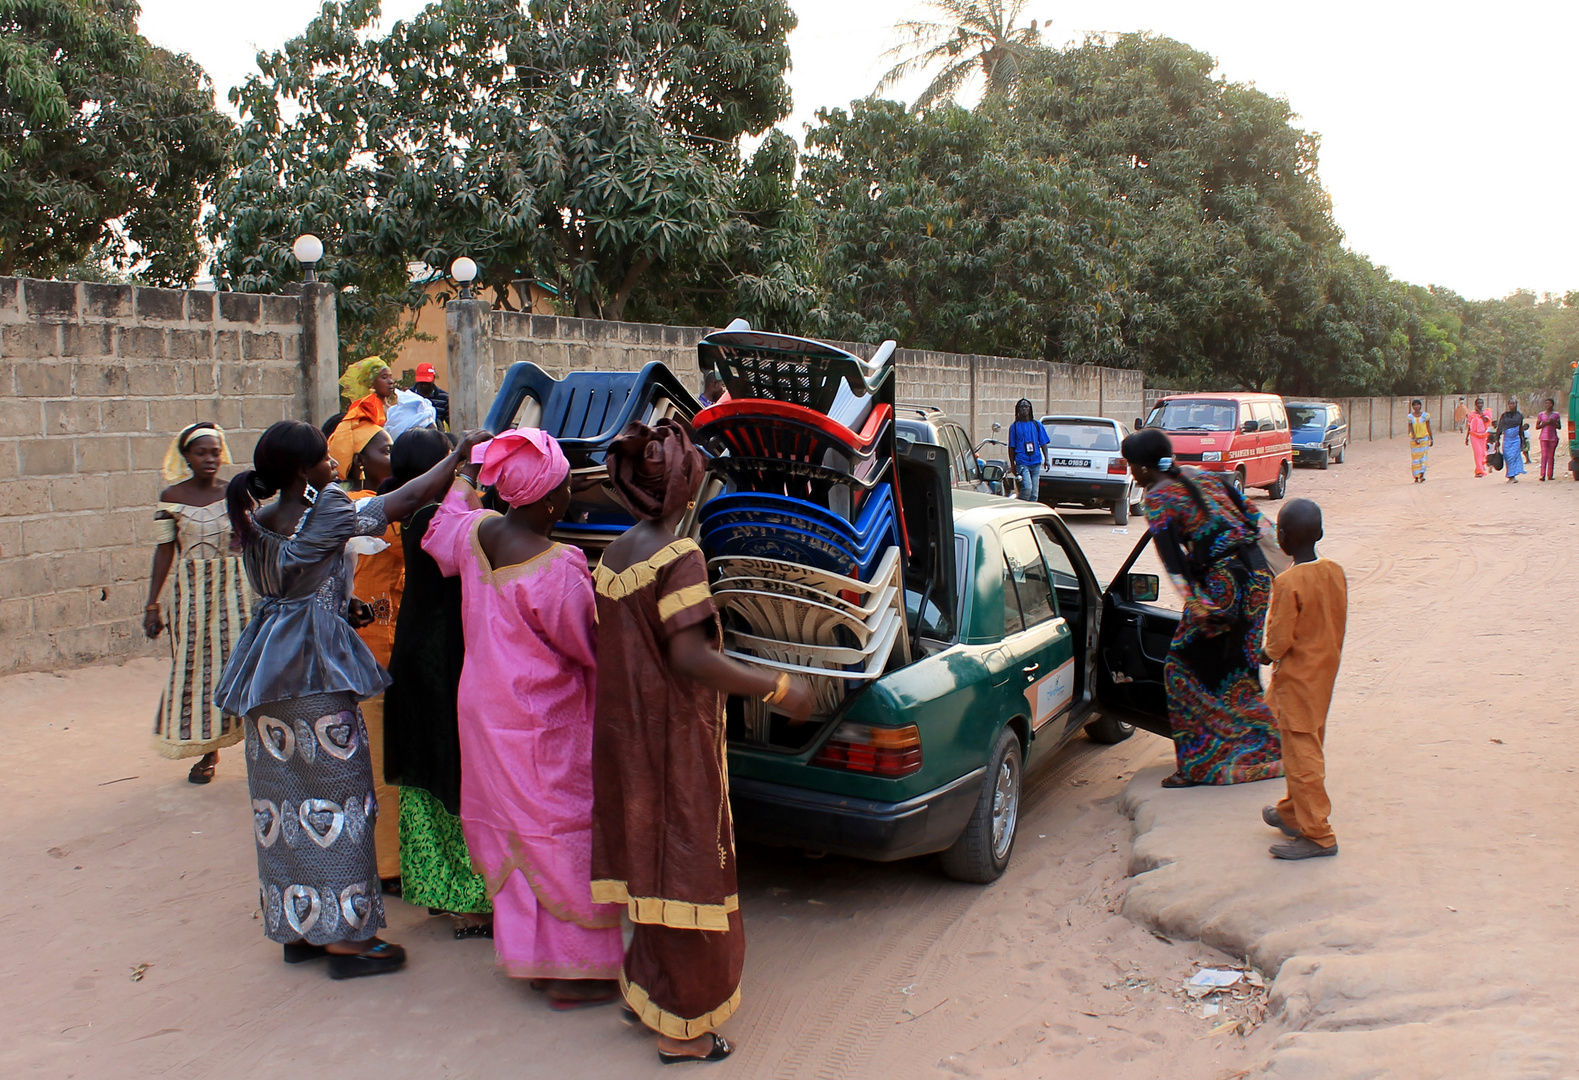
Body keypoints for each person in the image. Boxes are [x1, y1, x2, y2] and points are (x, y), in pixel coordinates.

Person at [217, 419, 482, 978]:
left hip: (267, 672)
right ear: (300, 470)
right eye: (322, 457)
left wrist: (340, 606)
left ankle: (301, 926)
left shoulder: (256, 519)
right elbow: (402, 501)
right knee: (339, 801)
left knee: (284, 805)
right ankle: (349, 939)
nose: (332, 463)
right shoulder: (329, 508)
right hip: (314, 674)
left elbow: (295, 586)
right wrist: (458, 455)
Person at [590, 419, 814, 1064]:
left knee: (648, 864)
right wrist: (775, 686)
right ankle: (684, 1029)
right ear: (685, 483)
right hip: (674, 737)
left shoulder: (617, 553)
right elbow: (688, 657)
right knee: (690, 868)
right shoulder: (678, 555)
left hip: (624, 736)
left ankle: (650, 994)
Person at [422, 427, 625, 1005]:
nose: (569, 501)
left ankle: (532, 961)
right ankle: (573, 974)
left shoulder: (476, 533)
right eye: (566, 491)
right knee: (560, 832)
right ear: (550, 499)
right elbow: (586, 646)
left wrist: (463, 471)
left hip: (483, 713)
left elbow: (438, 533)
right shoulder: (559, 565)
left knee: (510, 830)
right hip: (540, 721)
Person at [1120, 428, 1284, 788]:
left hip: (1222, 585)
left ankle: (1198, 767)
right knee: (1239, 672)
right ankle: (1266, 754)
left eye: (1130, 464)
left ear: (1144, 468)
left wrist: (1201, 606)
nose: (1130, 471)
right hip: (1257, 580)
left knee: (1180, 670)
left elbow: (1173, 562)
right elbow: (1260, 524)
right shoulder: (1208, 477)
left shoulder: (1157, 497)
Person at [381, 428, 493, 936]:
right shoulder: (435, 518)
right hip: (438, 658)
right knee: (451, 770)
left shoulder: (413, 514)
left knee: (430, 770)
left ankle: (438, 887)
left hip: (417, 654)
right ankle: (468, 902)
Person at [145, 422, 253, 783]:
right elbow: (164, 551)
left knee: (243, 665)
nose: (210, 459)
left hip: (235, 590)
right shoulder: (171, 497)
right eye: (201, 452)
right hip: (191, 595)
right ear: (187, 456)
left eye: (215, 452)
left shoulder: (235, 492)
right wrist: (152, 605)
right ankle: (209, 751)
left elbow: (251, 539)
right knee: (198, 671)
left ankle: (260, 747)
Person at [1258, 499, 1347, 860]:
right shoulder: (1334, 571)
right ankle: (1293, 812)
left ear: (1280, 539)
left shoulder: (1287, 581)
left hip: (1296, 679)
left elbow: (1279, 642)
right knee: (1305, 744)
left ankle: (1318, 834)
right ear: (1320, 533)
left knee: (1302, 755)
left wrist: (1263, 653)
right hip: (1322, 674)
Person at [340, 416, 404, 887]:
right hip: (370, 646)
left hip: (375, 642)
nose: (391, 454)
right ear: (359, 463)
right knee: (379, 761)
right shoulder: (362, 506)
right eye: (383, 450)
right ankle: (386, 866)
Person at [1009, 398, 1049, 502]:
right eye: (1021, 407)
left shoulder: (1037, 425)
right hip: (1022, 462)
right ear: (1017, 410)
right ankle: (1020, 506)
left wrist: (1047, 459)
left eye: (1026, 407)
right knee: (1027, 488)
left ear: (1030, 409)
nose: (1024, 409)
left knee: (1034, 494)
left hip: (1035, 462)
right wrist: (1012, 464)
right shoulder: (1014, 427)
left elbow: (1043, 443)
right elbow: (1011, 447)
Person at [1496, 397, 1526, 484]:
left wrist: (1523, 440)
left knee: (1514, 457)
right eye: (1510, 403)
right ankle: (1510, 474)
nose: (1512, 405)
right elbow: (1500, 427)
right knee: (1507, 457)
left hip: (1516, 439)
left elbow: (1521, 429)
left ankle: (1512, 476)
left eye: (1514, 403)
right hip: (1507, 440)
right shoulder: (1505, 416)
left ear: (1516, 405)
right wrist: (1497, 439)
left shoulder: (1519, 416)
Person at [411, 363, 450, 427]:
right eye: (421, 382)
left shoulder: (444, 398)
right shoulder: (409, 396)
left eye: (427, 382)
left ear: (434, 379)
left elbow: (452, 423)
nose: (424, 385)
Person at [1465, 398, 1493, 477]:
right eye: (1478, 403)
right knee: (1477, 452)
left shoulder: (1487, 413)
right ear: (1475, 404)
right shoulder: (1471, 414)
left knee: (1483, 452)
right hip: (1474, 435)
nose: (1480, 405)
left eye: (1481, 403)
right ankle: (1479, 471)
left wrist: (1481, 413)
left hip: (1483, 435)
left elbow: (1485, 420)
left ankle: (1481, 466)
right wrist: (1466, 437)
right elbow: (1469, 426)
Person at [1406, 400, 1433, 483]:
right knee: (1415, 459)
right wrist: (1414, 438)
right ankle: (1416, 476)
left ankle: (1422, 475)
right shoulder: (1410, 417)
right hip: (1415, 441)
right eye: (1414, 405)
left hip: (1424, 439)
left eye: (1418, 405)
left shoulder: (1425, 416)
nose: (1416, 407)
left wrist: (1431, 438)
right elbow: (1410, 428)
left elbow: (1428, 427)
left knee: (1423, 458)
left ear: (1420, 406)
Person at [1537, 398, 1561, 481]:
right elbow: (1537, 427)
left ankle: (1550, 474)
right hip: (1543, 437)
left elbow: (1559, 427)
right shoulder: (1541, 414)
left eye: (1549, 403)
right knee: (1544, 456)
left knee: (1551, 456)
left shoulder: (1556, 415)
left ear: (1552, 404)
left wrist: (1553, 422)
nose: (1547, 405)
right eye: (1546, 403)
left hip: (1553, 437)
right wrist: (1545, 423)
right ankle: (1542, 475)